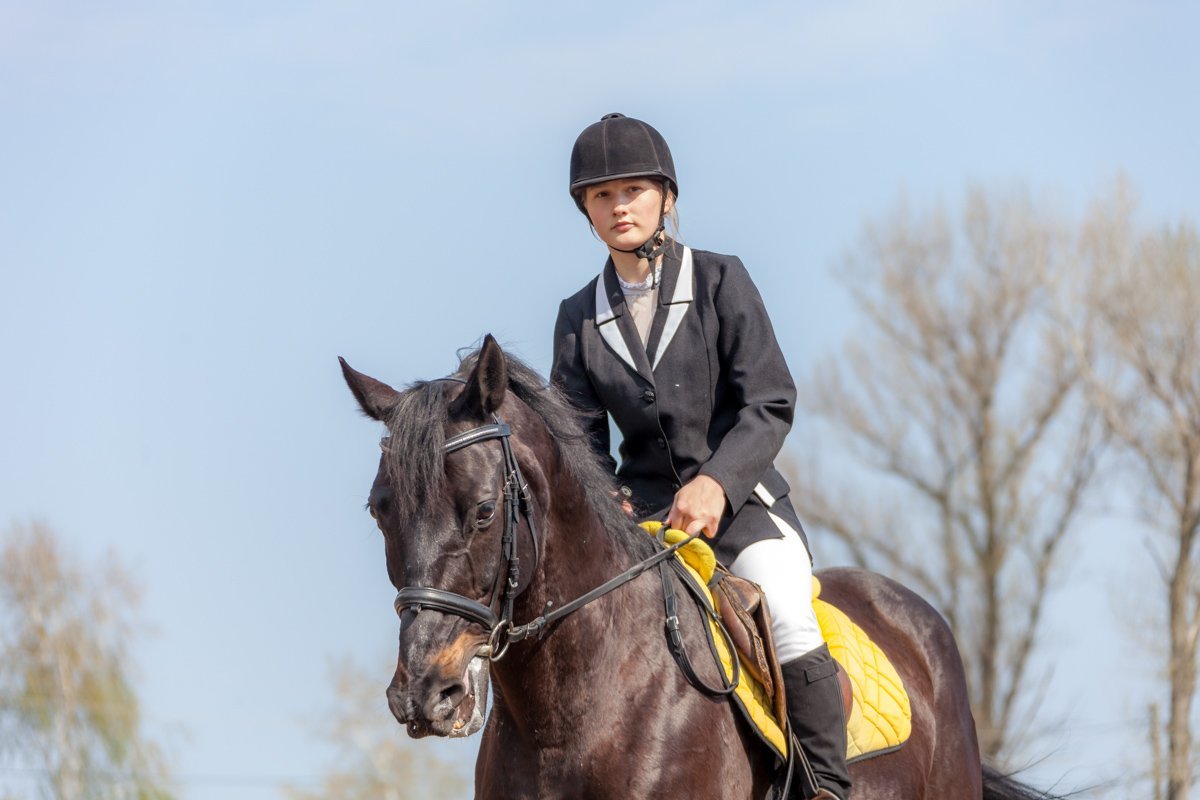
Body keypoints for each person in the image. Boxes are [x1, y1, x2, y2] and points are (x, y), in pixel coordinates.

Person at [550, 113, 852, 800]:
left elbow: (770, 400)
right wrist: (608, 496)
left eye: (632, 190)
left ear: (666, 198)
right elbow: (578, 441)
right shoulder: (577, 315)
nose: (619, 206)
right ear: (586, 212)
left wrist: (717, 481)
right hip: (645, 526)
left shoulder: (720, 281)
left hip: (742, 509)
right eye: (602, 196)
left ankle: (827, 788)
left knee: (784, 603)